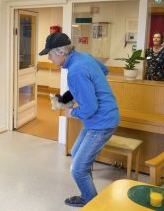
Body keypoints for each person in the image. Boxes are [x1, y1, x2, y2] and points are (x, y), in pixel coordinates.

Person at [39, 32, 119, 207]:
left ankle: (92, 203)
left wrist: (71, 113)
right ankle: (88, 195)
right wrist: (83, 93)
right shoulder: (84, 57)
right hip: (98, 120)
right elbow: (104, 70)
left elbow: (90, 108)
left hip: (101, 123)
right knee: (76, 153)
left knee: (77, 170)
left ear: (61, 52)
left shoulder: (75, 70)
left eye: (50, 54)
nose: (49, 58)